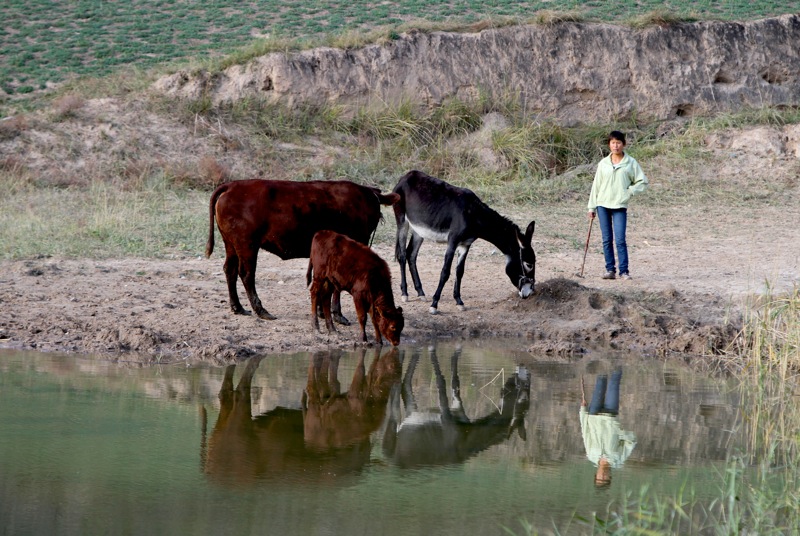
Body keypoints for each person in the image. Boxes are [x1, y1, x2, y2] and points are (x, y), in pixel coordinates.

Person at [587, 131, 649, 280]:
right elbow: (596, 185)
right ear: (609, 144)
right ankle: (610, 270)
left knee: (620, 239)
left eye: (618, 142)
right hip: (603, 204)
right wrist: (591, 207)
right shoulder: (603, 163)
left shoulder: (631, 163)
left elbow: (642, 181)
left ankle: (624, 271)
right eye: (613, 142)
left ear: (623, 144)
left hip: (620, 205)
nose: (616, 145)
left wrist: (629, 192)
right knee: (606, 239)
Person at [579, 368, 637, 488]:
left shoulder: (591, 455)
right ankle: (621, 357)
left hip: (593, 415)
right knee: (614, 381)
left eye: (600, 478)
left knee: (601, 380)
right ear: (610, 477)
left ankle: (604, 356)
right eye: (605, 479)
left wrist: (582, 411)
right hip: (611, 415)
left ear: (596, 475)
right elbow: (632, 441)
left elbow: (585, 433)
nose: (603, 475)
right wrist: (619, 432)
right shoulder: (618, 460)